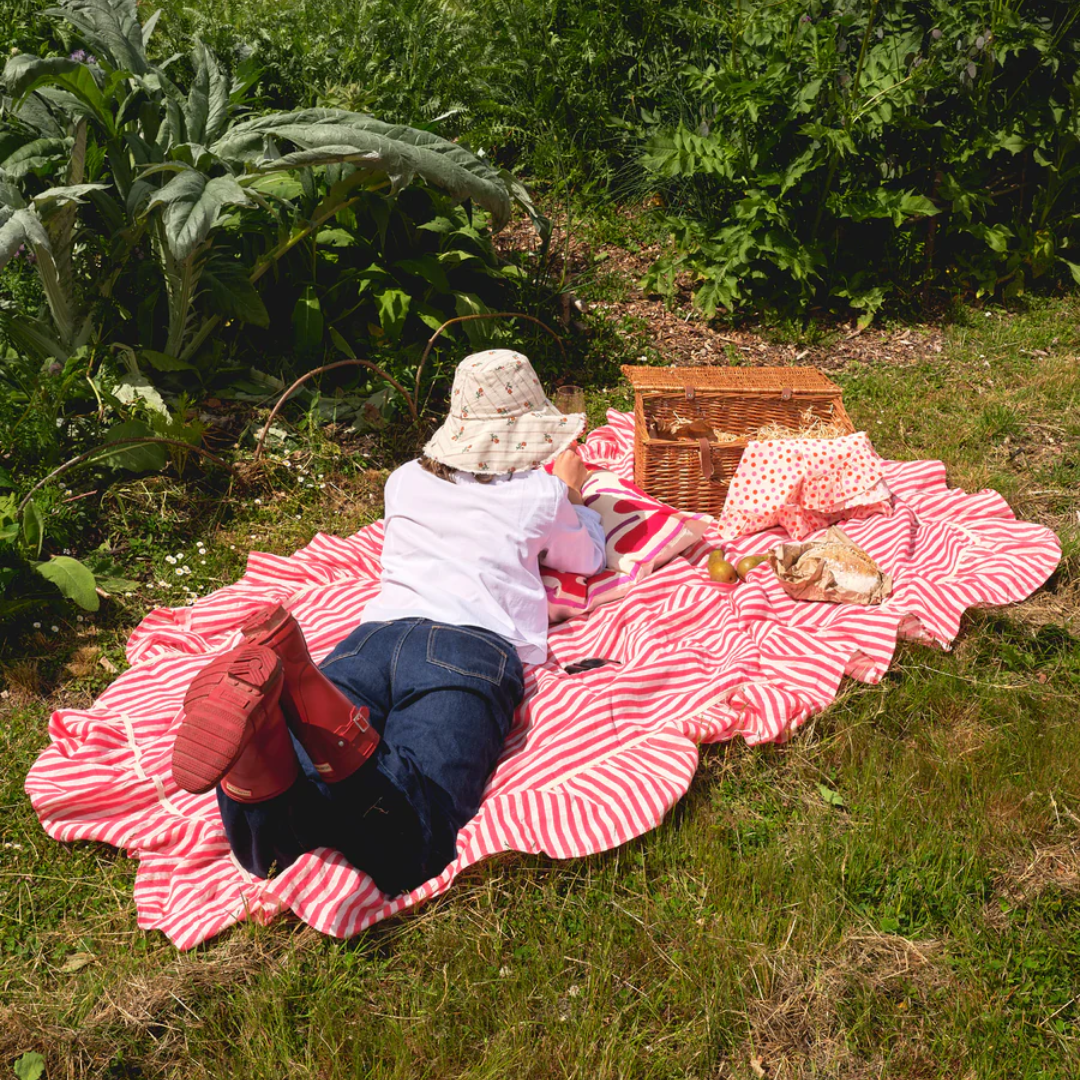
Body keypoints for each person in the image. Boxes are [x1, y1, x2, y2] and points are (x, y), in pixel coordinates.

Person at [170, 350, 606, 896]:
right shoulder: (538, 494)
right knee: (416, 834)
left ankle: (266, 753)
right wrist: (572, 491)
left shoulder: (404, 479)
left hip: (371, 639)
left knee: (294, 815)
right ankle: (351, 754)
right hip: (469, 647)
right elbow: (586, 557)